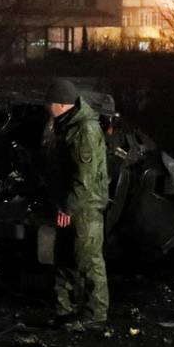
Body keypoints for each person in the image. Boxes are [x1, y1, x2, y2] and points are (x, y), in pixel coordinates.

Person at [44, 78, 109, 331]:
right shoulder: (66, 125)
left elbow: (84, 177)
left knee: (88, 260)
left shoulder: (85, 130)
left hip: (85, 207)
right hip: (70, 204)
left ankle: (95, 314)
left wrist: (68, 209)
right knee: (64, 259)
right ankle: (65, 311)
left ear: (60, 105)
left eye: (49, 103)